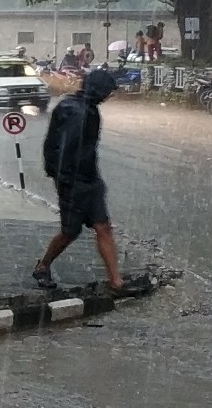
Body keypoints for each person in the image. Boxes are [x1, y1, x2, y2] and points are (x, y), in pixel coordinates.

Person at [34, 68, 148, 296]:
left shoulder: (83, 107)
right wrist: (66, 181)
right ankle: (43, 266)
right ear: (99, 90)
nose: (108, 96)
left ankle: (116, 282)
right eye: (107, 92)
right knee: (70, 231)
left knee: (103, 227)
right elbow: (65, 150)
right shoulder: (76, 111)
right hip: (73, 182)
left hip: (87, 179)